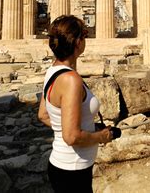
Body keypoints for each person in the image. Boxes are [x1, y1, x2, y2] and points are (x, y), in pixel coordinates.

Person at [38, 15, 113, 193]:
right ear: (78, 42)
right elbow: (71, 137)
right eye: (85, 35)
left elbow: (43, 114)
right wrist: (101, 136)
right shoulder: (71, 80)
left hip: (63, 166)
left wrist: (86, 127)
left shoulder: (52, 70)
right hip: (73, 169)